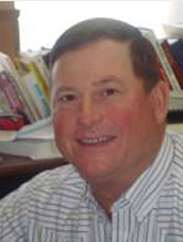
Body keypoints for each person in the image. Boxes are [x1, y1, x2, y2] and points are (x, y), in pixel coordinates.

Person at [0, 17, 183, 242]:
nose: (87, 117)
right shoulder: (36, 205)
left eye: (108, 92)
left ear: (158, 101)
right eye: (68, 97)